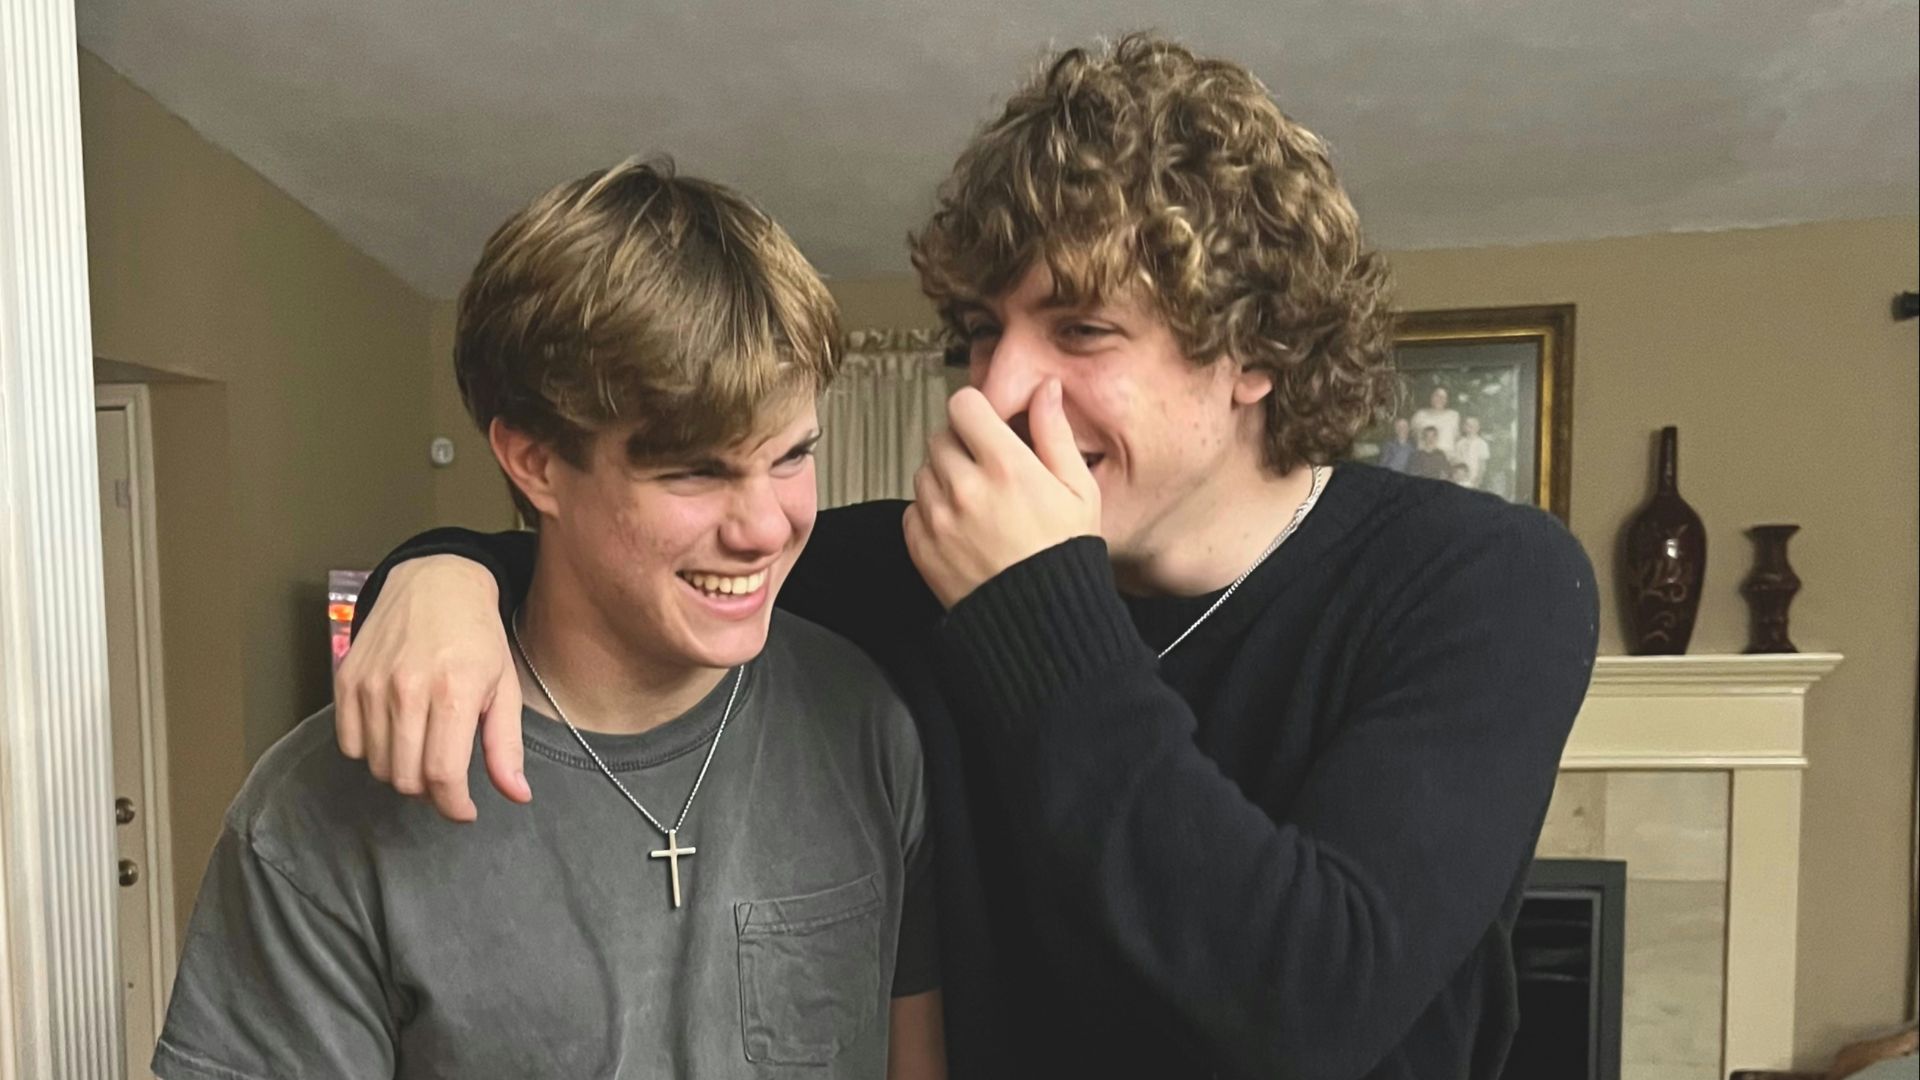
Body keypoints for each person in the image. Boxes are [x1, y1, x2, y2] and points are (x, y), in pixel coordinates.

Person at [339, 35, 1597, 1080]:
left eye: (1082, 329)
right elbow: (663, 558)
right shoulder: (912, 568)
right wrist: (443, 571)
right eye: (985, 330)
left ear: (1253, 352)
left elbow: (1306, 1004)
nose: (995, 389)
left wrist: (1033, 610)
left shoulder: (1485, 582)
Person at [156, 162, 945, 1080]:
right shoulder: (319, 812)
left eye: (793, 455)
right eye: (694, 471)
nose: (767, 527)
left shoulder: (866, 721)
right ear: (534, 462)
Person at [1410, 385, 1462, 454]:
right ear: (1431, 397)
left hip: (1448, 458)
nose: (1440, 399)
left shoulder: (1454, 415)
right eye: (1437, 395)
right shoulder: (1419, 415)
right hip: (1425, 457)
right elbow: (1412, 436)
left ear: (1447, 400)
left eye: (1443, 397)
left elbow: (1458, 438)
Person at [1451, 415, 1492, 488]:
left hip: (1474, 477)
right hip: (1460, 478)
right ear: (1464, 427)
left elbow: (1482, 464)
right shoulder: (1460, 443)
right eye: (1468, 425)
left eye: (1473, 425)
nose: (1470, 427)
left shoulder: (1482, 443)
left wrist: (1478, 479)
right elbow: (1456, 461)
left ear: (1478, 428)